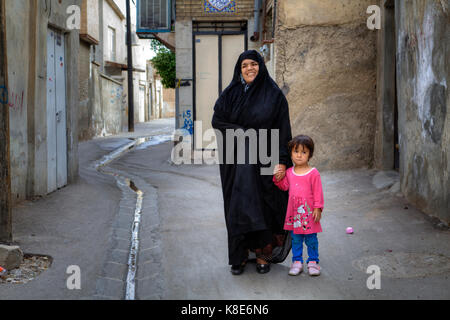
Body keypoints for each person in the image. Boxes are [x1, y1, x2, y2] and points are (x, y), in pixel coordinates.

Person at [212, 50, 292, 275]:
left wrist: (282, 162)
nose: (250, 68)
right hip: (235, 162)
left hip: (265, 160)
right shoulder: (231, 94)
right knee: (237, 206)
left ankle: (262, 256)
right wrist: (243, 132)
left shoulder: (274, 95)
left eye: (254, 64)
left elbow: (284, 130)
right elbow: (217, 121)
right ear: (240, 69)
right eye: (245, 65)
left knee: (264, 207)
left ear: (261, 66)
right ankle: (238, 257)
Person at [273, 135, 324, 276]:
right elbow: (284, 187)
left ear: (310, 154)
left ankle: (313, 262)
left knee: (311, 239)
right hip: (294, 214)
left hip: (309, 214)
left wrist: (318, 208)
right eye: (296, 152)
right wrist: (278, 178)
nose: (299, 155)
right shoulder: (289, 173)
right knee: (296, 239)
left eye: (304, 152)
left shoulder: (313, 173)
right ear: (291, 154)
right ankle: (297, 262)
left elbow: (318, 193)